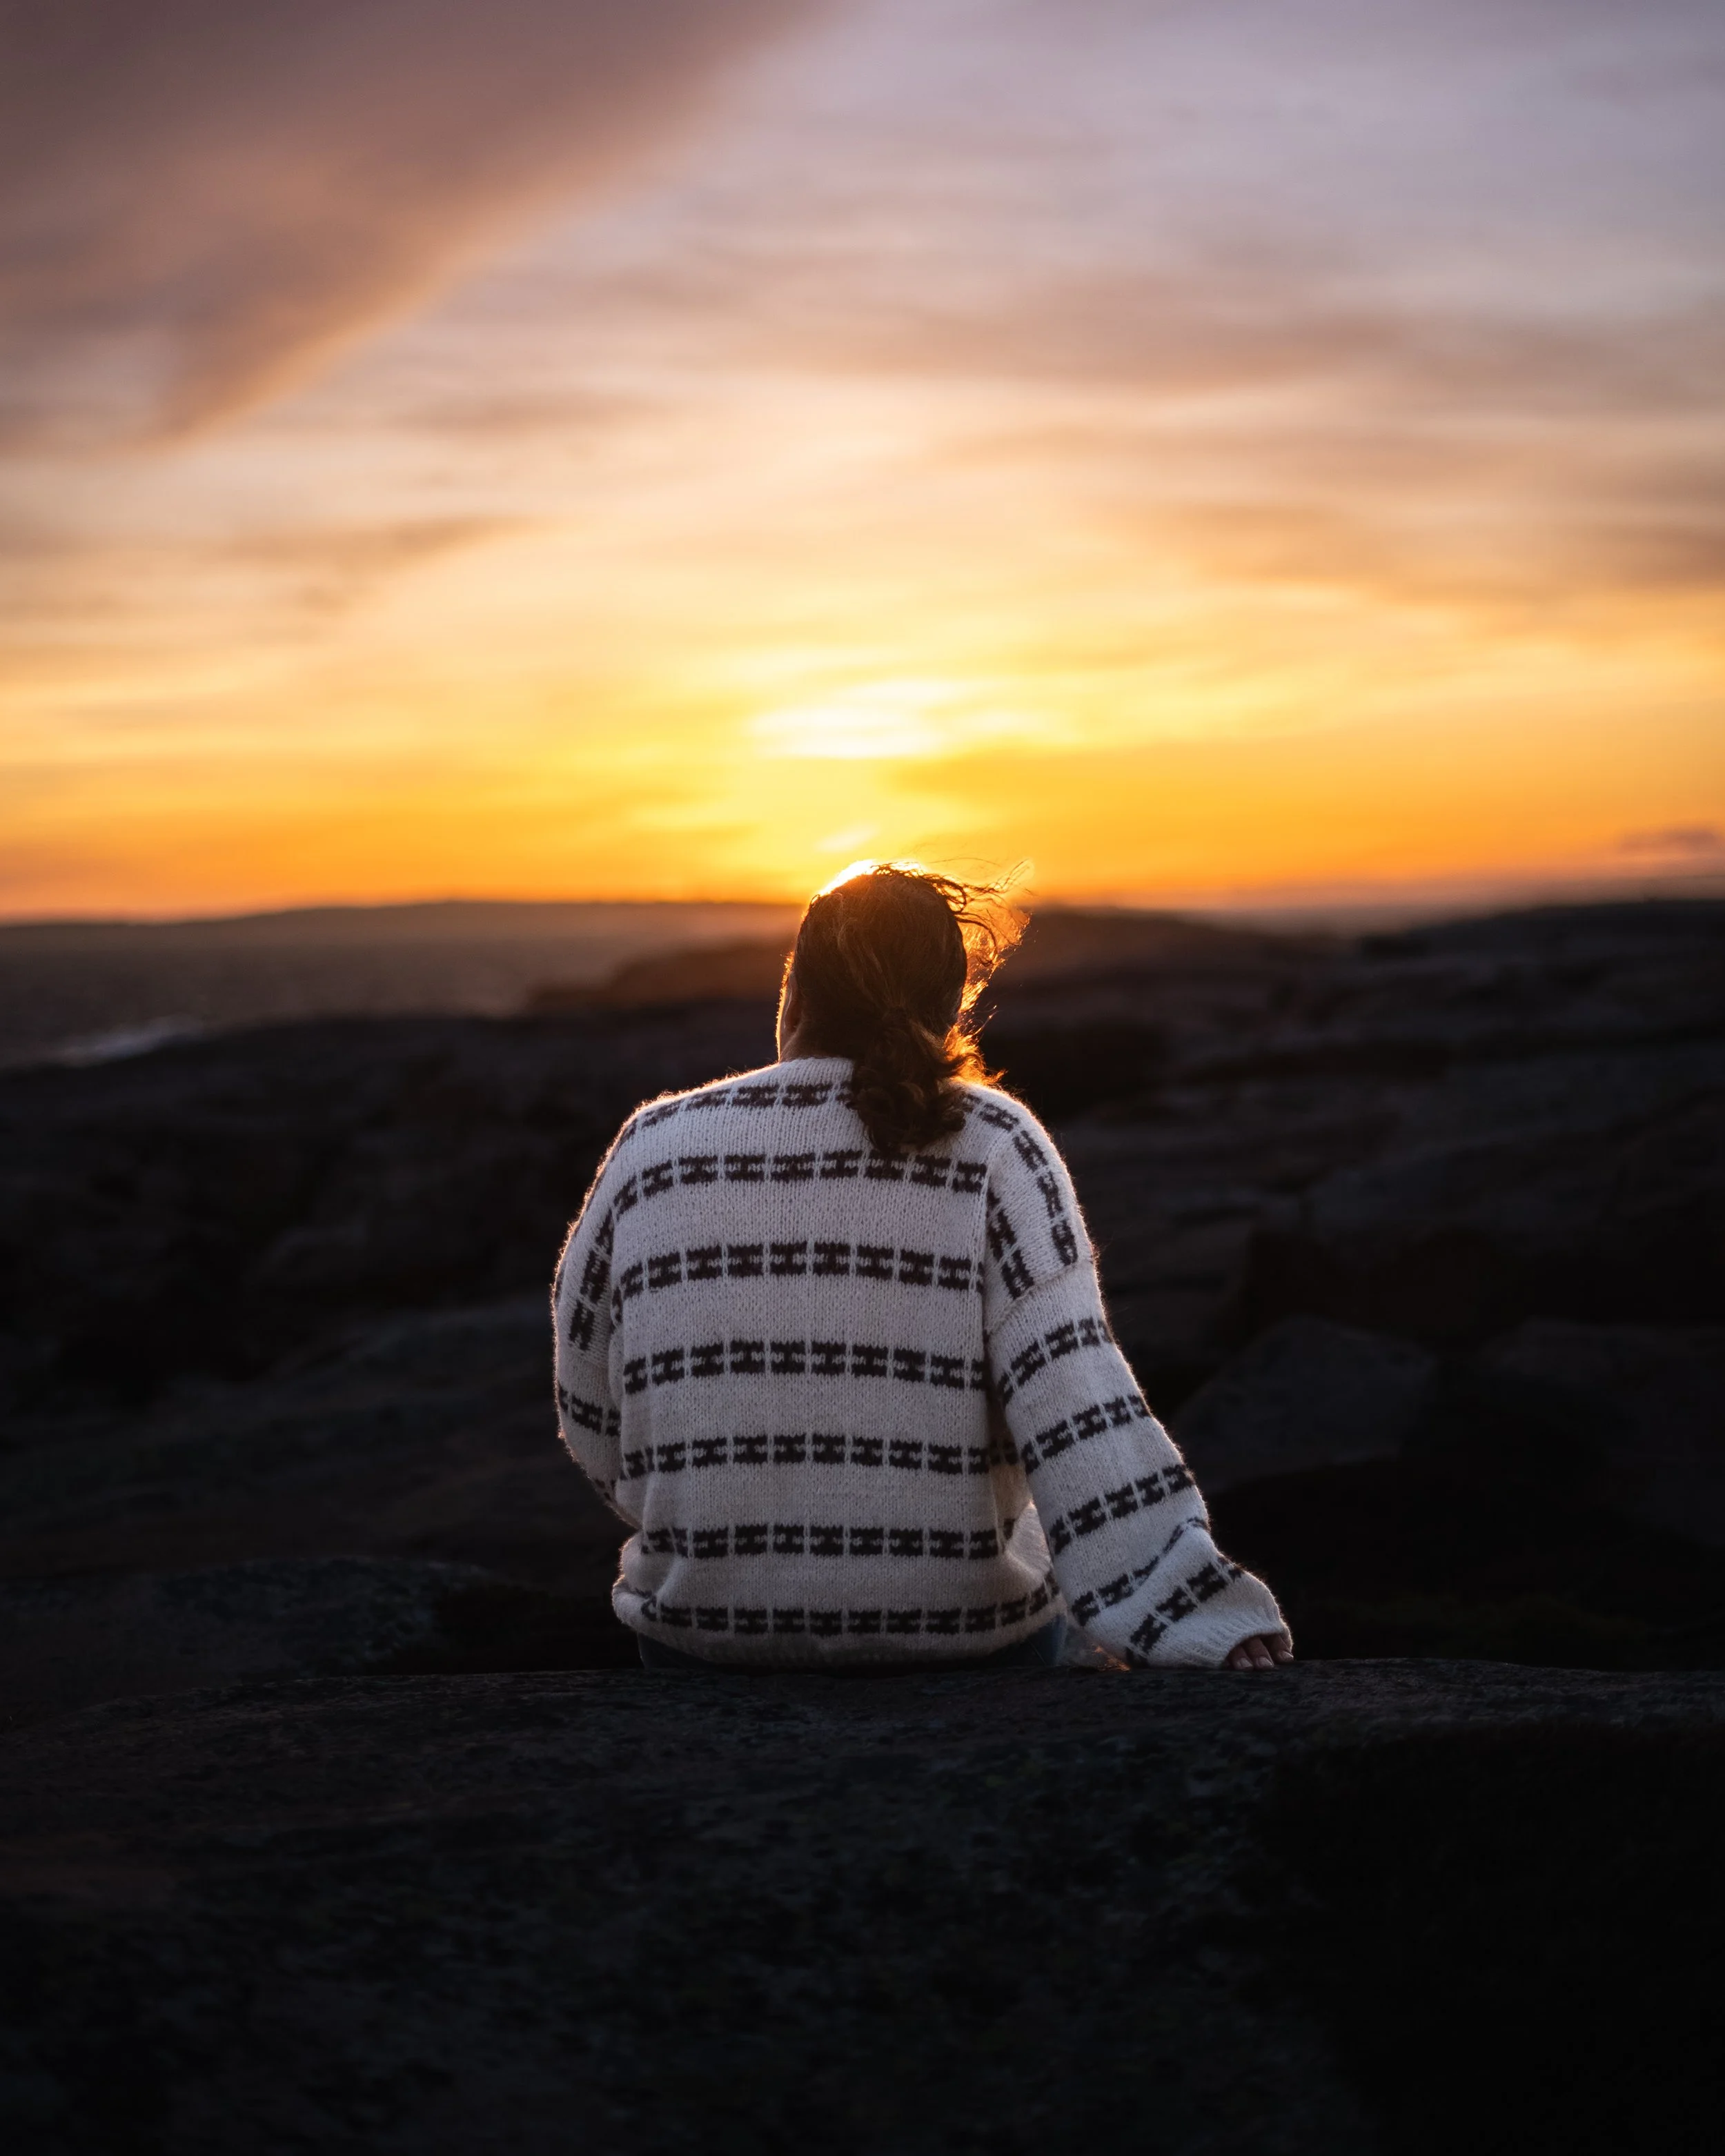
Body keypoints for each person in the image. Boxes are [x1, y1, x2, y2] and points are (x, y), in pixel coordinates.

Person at [553, 862, 1292, 1674]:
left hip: (698, 1635)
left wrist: (713, 1509)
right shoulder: (992, 1145)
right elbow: (1073, 1398)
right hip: (959, 1644)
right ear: (950, 1011)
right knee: (1043, 1567)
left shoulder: (651, 1150)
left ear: (792, 990)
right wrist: (1186, 1602)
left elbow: (588, 1400)